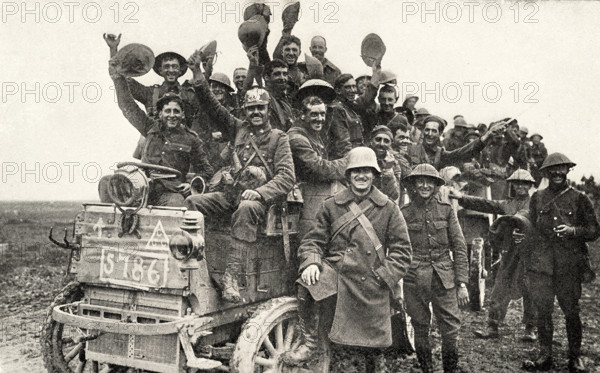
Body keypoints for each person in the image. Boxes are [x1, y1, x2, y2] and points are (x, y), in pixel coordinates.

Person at [281, 146, 412, 369]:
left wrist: (383, 276)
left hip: (372, 280)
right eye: (356, 171)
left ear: (374, 174)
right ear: (348, 175)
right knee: (307, 282)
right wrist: (311, 261)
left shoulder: (389, 208)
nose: (361, 176)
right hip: (337, 273)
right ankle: (310, 341)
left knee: (371, 355)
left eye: (367, 171)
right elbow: (313, 240)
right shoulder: (331, 205)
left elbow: (402, 251)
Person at [185, 53, 295, 303]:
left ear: (267, 110)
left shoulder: (280, 138)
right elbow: (213, 107)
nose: (256, 112)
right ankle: (195, 268)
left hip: (262, 205)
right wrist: (198, 74)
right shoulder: (237, 128)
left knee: (246, 208)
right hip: (231, 195)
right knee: (193, 204)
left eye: (260, 108)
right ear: (245, 110)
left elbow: (287, 177)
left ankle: (231, 277)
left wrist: (260, 192)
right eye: (251, 108)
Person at [522, 153, 600, 373]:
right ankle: (545, 355)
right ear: (546, 173)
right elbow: (532, 227)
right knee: (543, 312)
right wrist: (522, 235)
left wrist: (573, 231)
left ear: (567, 171)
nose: (557, 173)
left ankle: (574, 358)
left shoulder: (579, 198)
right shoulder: (537, 197)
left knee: (571, 312)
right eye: (552, 170)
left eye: (562, 169)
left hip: (569, 266)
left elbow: (594, 231)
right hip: (542, 266)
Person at [102, 58, 213, 206]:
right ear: (160, 114)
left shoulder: (191, 139)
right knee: (107, 183)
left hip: (170, 191)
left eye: (176, 111)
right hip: (141, 186)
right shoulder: (148, 127)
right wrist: (117, 77)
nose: (172, 115)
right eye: (167, 111)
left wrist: (192, 184)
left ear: (182, 115)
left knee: (177, 206)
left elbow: (206, 171)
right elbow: (127, 106)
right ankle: (112, 227)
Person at [449, 169, 538, 341]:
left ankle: (530, 328)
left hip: (530, 250)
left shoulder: (536, 203)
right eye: (517, 183)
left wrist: (530, 234)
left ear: (530, 186)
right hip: (510, 250)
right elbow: (486, 204)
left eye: (524, 184)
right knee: (500, 286)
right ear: (512, 185)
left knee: (530, 287)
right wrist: (461, 198)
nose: (520, 186)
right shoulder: (508, 204)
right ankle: (492, 326)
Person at [401, 163, 469, 373]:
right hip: (414, 277)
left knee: (451, 329)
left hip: (444, 276)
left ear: (435, 185)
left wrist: (462, 283)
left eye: (429, 181)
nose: (424, 185)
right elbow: (397, 248)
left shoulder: (446, 210)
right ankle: (427, 370)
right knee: (420, 326)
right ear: (413, 185)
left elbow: (459, 246)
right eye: (419, 181)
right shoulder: (403, 213)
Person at [103, 33, 201, 159]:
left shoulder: (189, 94)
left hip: (183, 148)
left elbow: (206, 100)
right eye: (166, 67)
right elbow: (122, 81)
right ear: (160, 70)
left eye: (174, 66)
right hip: (154, 146)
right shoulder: (150, 92)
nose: (170, 70)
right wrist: (113, 50)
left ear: (180, 70)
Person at [287, 94, 346, 237]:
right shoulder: (297, 138)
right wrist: (348, 162)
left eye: (322, 114)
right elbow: (320, 168)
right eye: (314, 114)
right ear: (302, 115)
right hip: (302, 198)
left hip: (313, 193)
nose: (319, 119)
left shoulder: (312, 133)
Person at [406, 115, 505, 170]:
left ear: (440, 133)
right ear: (423, 131)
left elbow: (463, 152)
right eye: (427, 130)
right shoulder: (410, 148)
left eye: (434, 131)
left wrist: (487, 135)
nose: (429, 134)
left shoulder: (441, 154)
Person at [369, 125, 409, 202]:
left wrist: (388, 170)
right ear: (371, 140)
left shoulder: (394, 162)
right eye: (378, 139)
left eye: (386, 141)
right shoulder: (362, 156)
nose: (381, 144)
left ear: (390, 144)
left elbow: (394, 194)